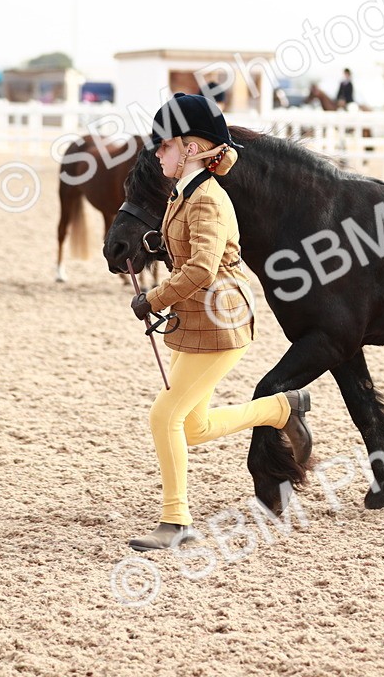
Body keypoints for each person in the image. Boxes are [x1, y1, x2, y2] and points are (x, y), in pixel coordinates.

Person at [126, 92, 312, 551]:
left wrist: (155, 297)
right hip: (200, 319)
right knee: (192, 426)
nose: (157, 152)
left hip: (219, 320)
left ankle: (176, 521)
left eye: (165, 145)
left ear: (191, 148)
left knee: (164, 414)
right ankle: (280, 410)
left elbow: (203, 268)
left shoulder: (207, 199)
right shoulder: (183, 194)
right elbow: (189, 253)